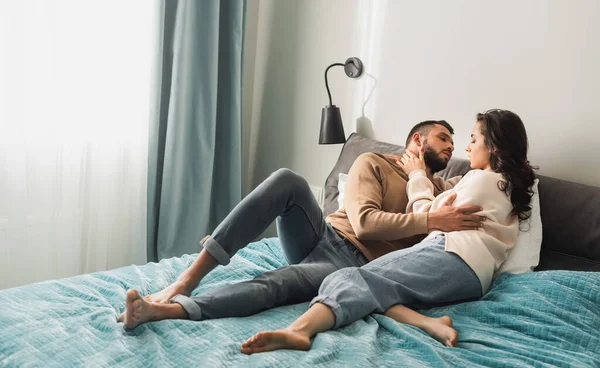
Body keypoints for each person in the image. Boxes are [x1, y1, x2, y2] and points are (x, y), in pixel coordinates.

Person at [119, 120, 486, 332]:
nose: (451, 148)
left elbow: (487, 182)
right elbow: (365, 223)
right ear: (417, 140)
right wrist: (429, 220)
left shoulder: (439, 190)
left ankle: (167, 310)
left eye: (456, 143)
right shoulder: (373, 162)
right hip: (326, 234)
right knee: (287, 180)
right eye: (443, 139)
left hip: (353, 267)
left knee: (278, 284)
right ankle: (187, 278)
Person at [240, 109, 536, 354]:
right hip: (475, 278)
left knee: (347, 277)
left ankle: (299, 331)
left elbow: (427, 216)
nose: (466, 147)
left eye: (473, 139)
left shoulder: (482, 180)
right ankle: (431, 324)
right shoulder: (508, 189)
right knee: (379, 288)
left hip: (451, 254)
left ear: (494, 146)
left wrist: (417, 175)